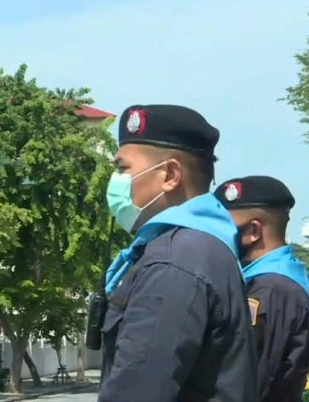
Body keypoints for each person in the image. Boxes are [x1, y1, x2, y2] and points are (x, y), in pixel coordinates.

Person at [98, 105, 258, 401]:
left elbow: (138, 391)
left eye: (123, 169)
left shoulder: (174, 260)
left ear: (171, 175)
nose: (115, 181)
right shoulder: (200, 248)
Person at [213, 176, 309, 402]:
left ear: (253, 231)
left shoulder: (269, 290)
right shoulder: (276, 282)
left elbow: (246, 383)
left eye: (225, 228)